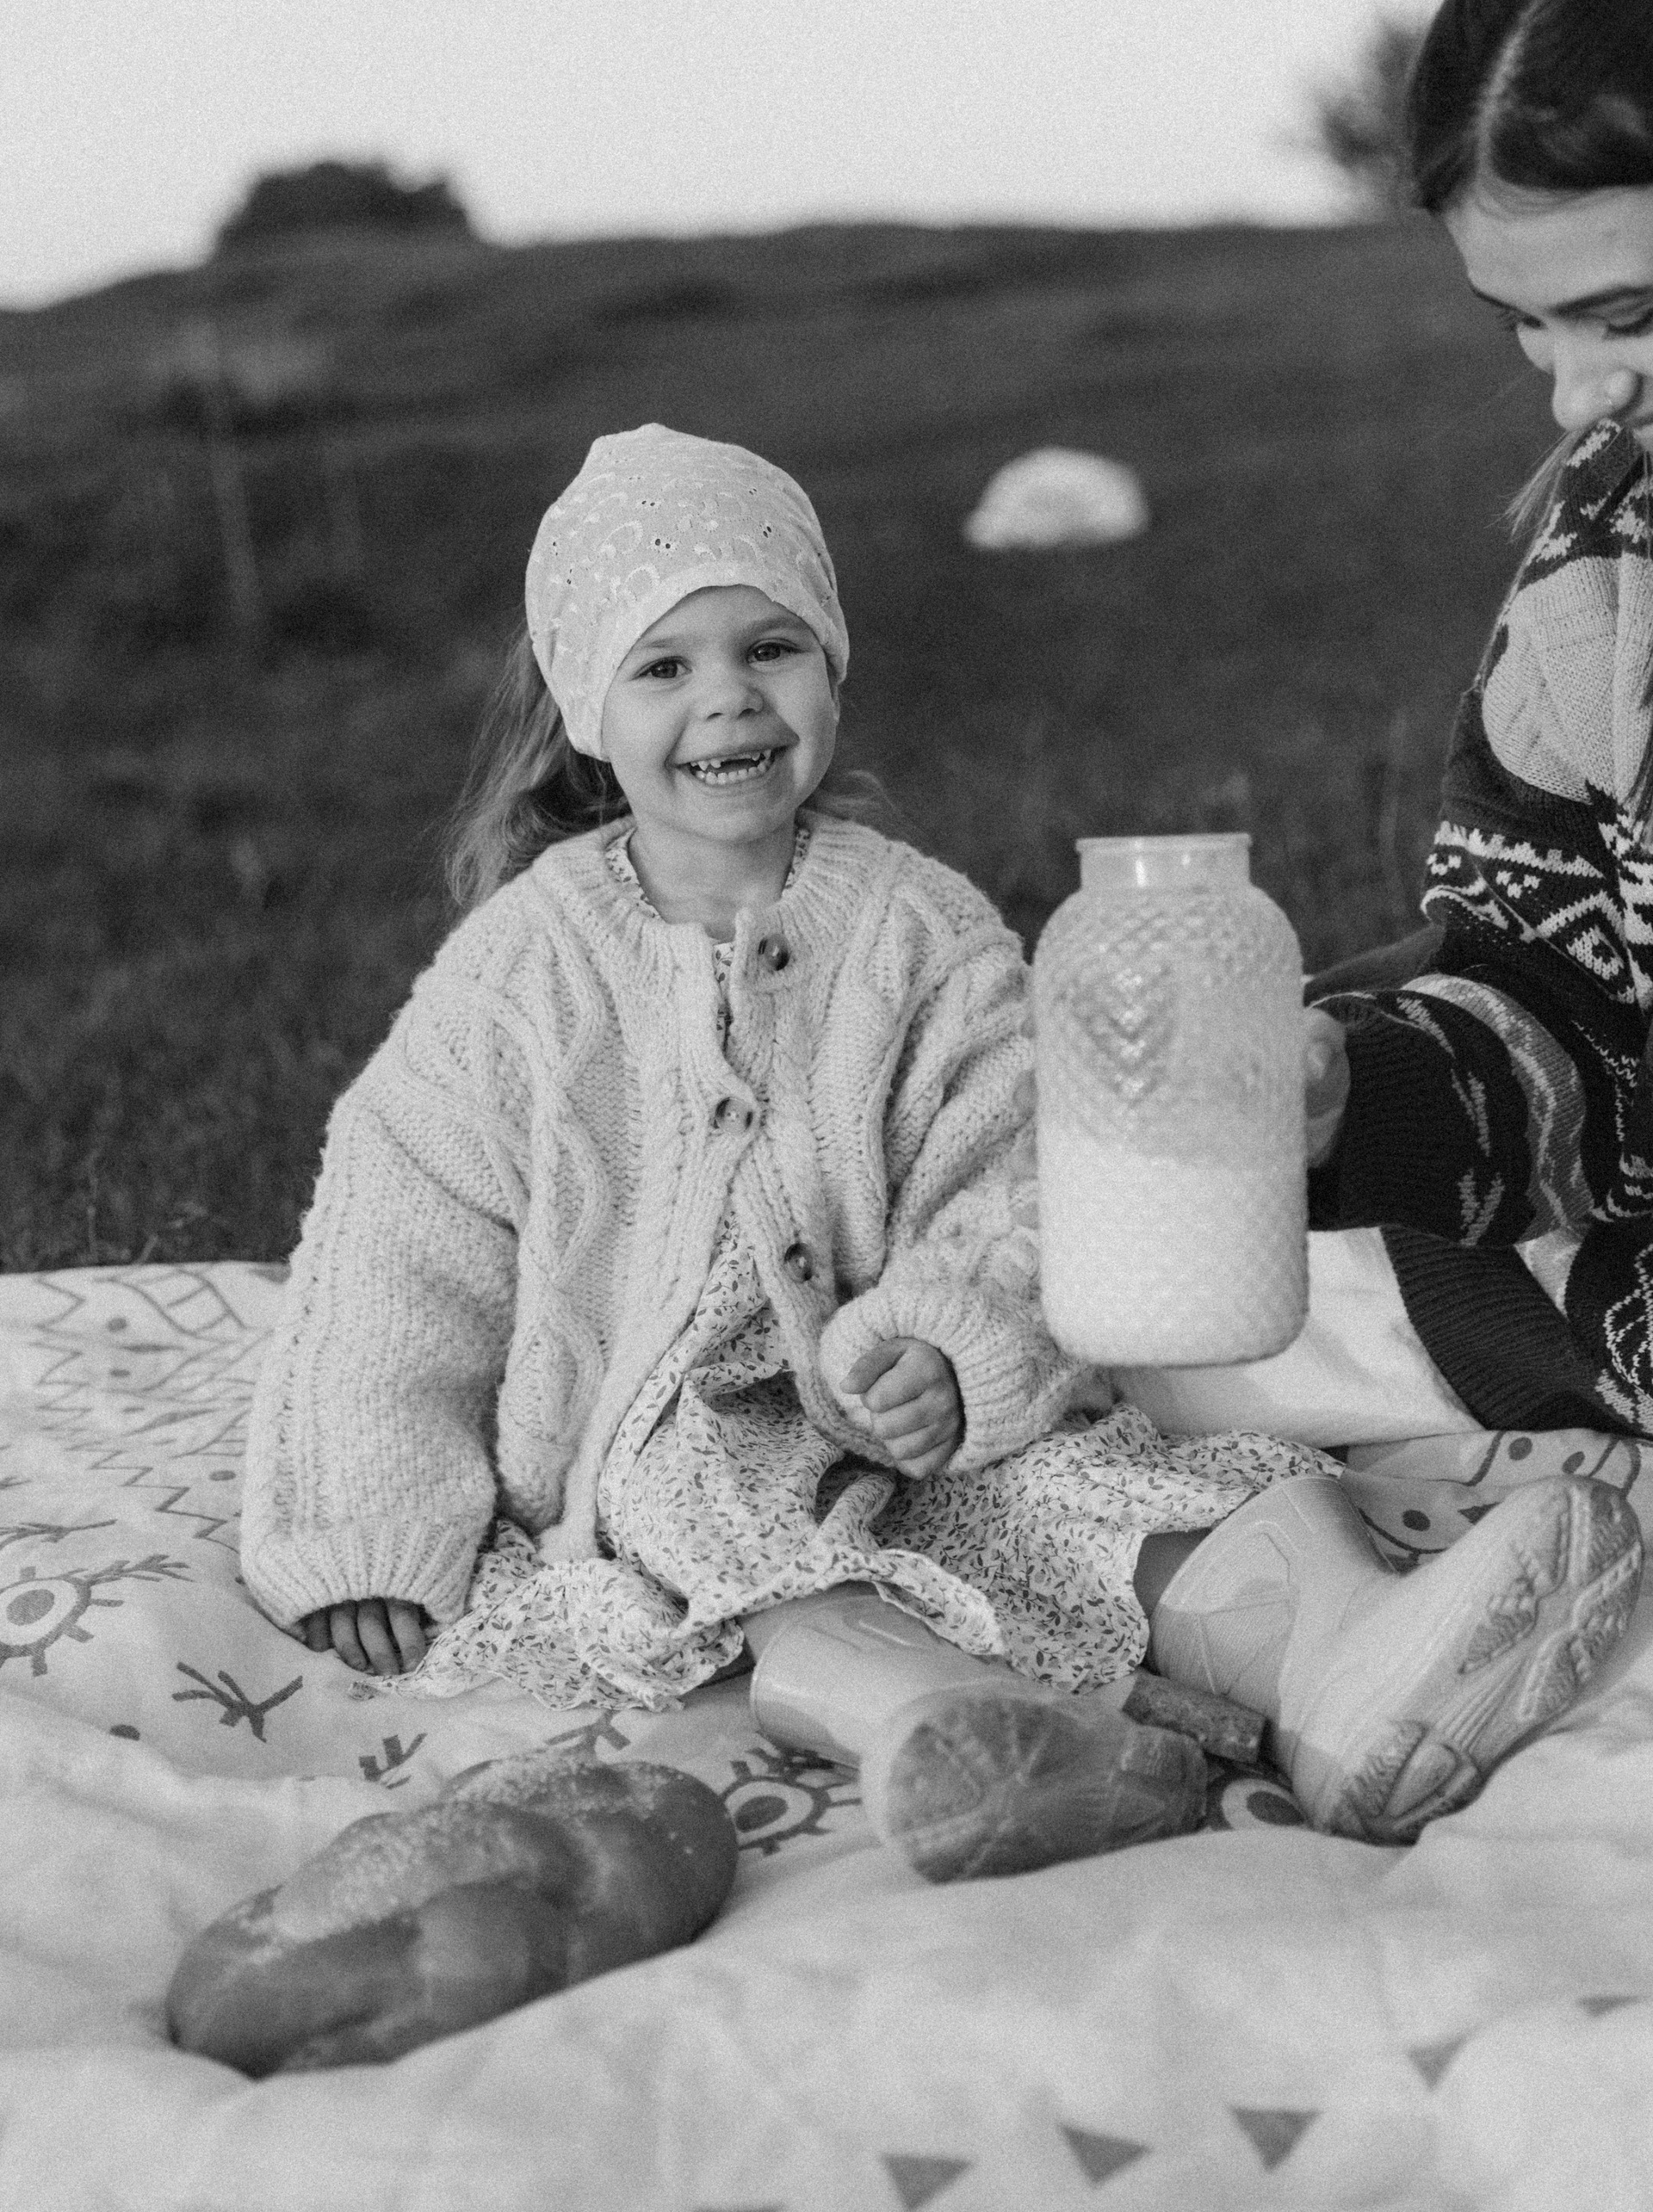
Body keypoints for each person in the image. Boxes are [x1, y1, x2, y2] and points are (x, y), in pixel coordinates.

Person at [241, 423, 1639, 1869]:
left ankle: (1352, 1661)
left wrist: (953, 1338)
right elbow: (398, 1247)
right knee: (732, 1525)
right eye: (662, 667)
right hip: (668, 1419)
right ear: (586, 709)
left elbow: (1016, 1173)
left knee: (1124, 1477)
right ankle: (958, 1732)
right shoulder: (519, 975)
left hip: (910, 1398)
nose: (727, 697)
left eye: (770, 647)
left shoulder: (922, 930)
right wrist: (367, 1520)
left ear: (832, 667)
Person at [1303, 0, 1653, 1441]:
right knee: (1101, 1290)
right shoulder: (1606, 570)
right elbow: (1565, 1011)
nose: (1580, 396)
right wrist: (1347, 1095)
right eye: (1527, 322)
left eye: (1629, 316)